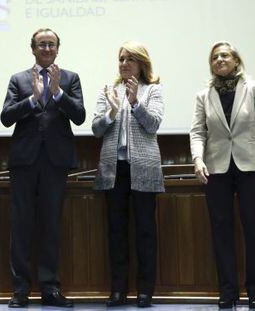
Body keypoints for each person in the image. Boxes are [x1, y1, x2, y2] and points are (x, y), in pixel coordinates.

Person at [1, 28, 85, 308]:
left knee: (51, 225)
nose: (47, 49)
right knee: (21, 225)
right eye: (41, 44)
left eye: (51, 44)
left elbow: (80, 115)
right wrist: (33, 100)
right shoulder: (19, 79)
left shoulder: (70, 79)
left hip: (55, 162)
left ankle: (50, 288)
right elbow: (5, 118)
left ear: (58, 49)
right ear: (32, 48)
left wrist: (57, 93)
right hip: (24, 162)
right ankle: (20, 290)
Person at [92, 41, 164, 308]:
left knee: (146, 231)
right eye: (121, 59)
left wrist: (135, 103)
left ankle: (145, 291)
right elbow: (96, 129)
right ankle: (118, 291)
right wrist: (111, 112)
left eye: (129, 59)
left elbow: (153, 123)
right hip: (115, 170)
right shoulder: (109, 90)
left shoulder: (153, 90)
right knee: (116, 232)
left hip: (144, 168)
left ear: (141, 63)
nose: (123, 64)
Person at [190, 41, 255, 309]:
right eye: (214, 57)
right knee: (221, 231)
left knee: (254, 230)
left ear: (236, 60)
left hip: (251, 167)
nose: (219, 60)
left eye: (224, 55)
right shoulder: (203, 95)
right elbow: (198, 131)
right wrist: (197, 159)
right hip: (216, 169)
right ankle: (228, 292)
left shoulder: (254, 89)